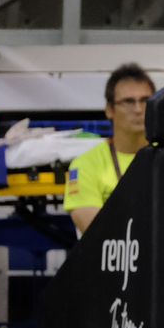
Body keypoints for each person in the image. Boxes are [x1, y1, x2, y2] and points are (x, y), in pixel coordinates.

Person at [64, 64, 153, 234]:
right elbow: (97, 236)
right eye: (128, 101)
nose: (138, 109)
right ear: (110, 110)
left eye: (145, 100)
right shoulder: (85, 165)